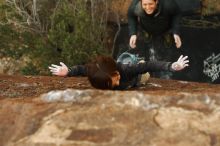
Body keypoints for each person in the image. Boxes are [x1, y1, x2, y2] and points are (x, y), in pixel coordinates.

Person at [49, 55, 189, 90]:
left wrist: (171, 66)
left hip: (136, 78)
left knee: (142, 70)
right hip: (125, 77)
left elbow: (150, 65)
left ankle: (132, 59)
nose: (118, 78)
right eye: (113, 79)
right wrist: (68, 72)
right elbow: (82, 69)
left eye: (116, 74)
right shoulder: (97, 76)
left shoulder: (124, 71)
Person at [127, 0, 202, 49]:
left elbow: (177, 14)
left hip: (165, 27)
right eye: (145, 4)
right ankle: (148, 34)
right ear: (141, 2)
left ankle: (167, 36)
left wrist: (176, 32)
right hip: (146, 26)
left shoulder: (168, 4)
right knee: (146, 32)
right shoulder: (135, 6)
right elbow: (131, 16)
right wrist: (133, 33)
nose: (148, 7)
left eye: (150, 4)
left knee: (167, 33)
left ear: (156, 2)